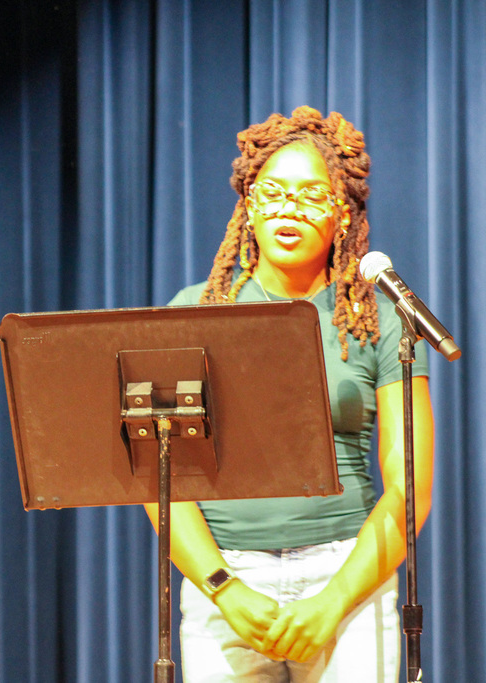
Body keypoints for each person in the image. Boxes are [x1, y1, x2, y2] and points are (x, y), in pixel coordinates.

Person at [146, 106, 434, 682]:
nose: (288, 208)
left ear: (342, 215)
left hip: (348, 578)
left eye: (310, 194)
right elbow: (158, 479)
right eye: (271, 192)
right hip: (225, 582)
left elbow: (411, 487)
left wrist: (331, 604)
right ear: (248, 204)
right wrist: (224, 589)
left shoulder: (378, 320)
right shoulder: (195, 311)